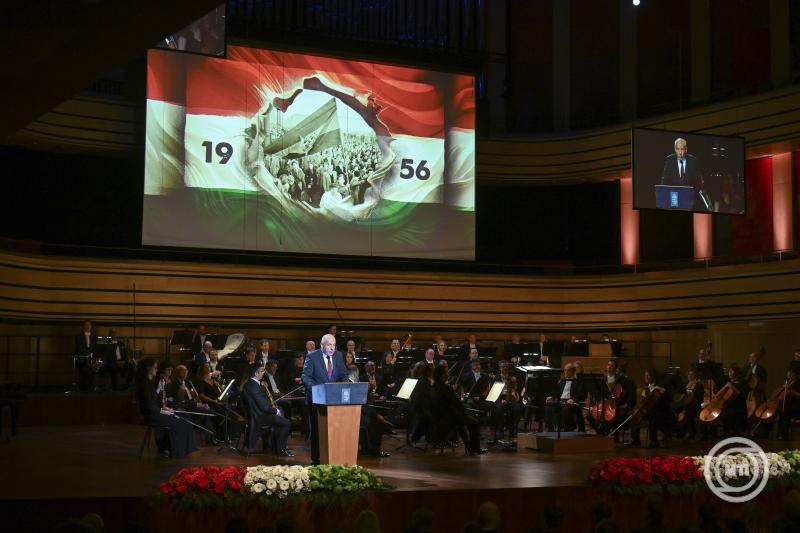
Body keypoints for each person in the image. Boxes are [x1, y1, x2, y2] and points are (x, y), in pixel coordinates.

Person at [135, 358, 197, 458]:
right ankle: (174, 450)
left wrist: (164, 408)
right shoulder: (144, 384)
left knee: (184, 418)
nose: (156, 369)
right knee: (179, 421)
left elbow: (154, 402)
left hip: (155, 413)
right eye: (155, 367)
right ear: (148, 368)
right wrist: (161, 410)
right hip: (151, 416)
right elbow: (148, 406)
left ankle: (180, 449)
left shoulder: (148, 382)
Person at [301, 334, 348, 464]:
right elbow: (305, 377)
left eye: (334, 345)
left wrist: (345, 386)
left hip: (334, 401)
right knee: (316, 430)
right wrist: (317, 390)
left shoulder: (338, 356)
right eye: (329, 345)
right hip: (316, 401)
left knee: (333, 429)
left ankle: (333, 457)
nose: (332, 348)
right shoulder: (312, 356)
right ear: (322, 345)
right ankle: (315, 459)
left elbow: (344, 375)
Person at [429, 365, 487, 455]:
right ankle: (475, 448)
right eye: (446, 372)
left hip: (438, 417)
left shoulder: (433, 386)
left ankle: (469, 447)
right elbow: (457, 404)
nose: (448, 374)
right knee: (474, 422)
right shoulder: (446, 388)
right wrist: (464, 411)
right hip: (448, 418)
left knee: (462, 423)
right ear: (442, 375)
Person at [242, 364, 293, 456]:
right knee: (287, 423)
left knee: (281, 414)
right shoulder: (253, 386)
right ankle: (280, 449)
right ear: (256, 373)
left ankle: (279, 447)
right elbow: (264, 407)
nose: (263, 372)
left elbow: (263, 402)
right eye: (262, 371)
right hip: (259, 416)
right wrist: (276, 411)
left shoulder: (252, 384)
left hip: (258, 413)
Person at [545, 363, 585, 432]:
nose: (566, 372)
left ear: (573, 371)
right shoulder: (561, 382)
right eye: (565, 370)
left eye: (568, 370)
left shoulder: (577, 382)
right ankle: (551, 430)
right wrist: (552, 397)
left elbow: (581, 394)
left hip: (570, 402)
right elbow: (556, 393)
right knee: (548, 408)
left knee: (565, 410)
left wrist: (573, 399)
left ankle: (564, 430)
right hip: (561, 401)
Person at [74, 319, 98, 391]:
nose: (88, 327)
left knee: (95, 367)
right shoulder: (79, 336)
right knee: (87, 369)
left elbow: (96, 348)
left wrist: (92, 355)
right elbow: (80, 348)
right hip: (82, 359)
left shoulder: (94, 336)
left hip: (92, 359)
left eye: (89, 325)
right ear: (83, 327)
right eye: (86, 325)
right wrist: (88, 354)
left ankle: (91, 387)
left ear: (91, 326)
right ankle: (86, 388)